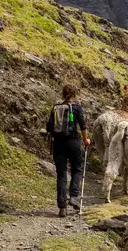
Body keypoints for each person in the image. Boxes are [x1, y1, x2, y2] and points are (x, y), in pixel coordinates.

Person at [46, 84, 90, 217]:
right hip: (73, 143)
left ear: (63, 94)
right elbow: (83, 125)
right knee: (76, 169)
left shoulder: (55, 108)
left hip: (58, 144)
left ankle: (62, 208)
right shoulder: (77, 107)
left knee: (61, 174)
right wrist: (86, 140)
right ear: (74, 94)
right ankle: (74, 197)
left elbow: (49, 127)